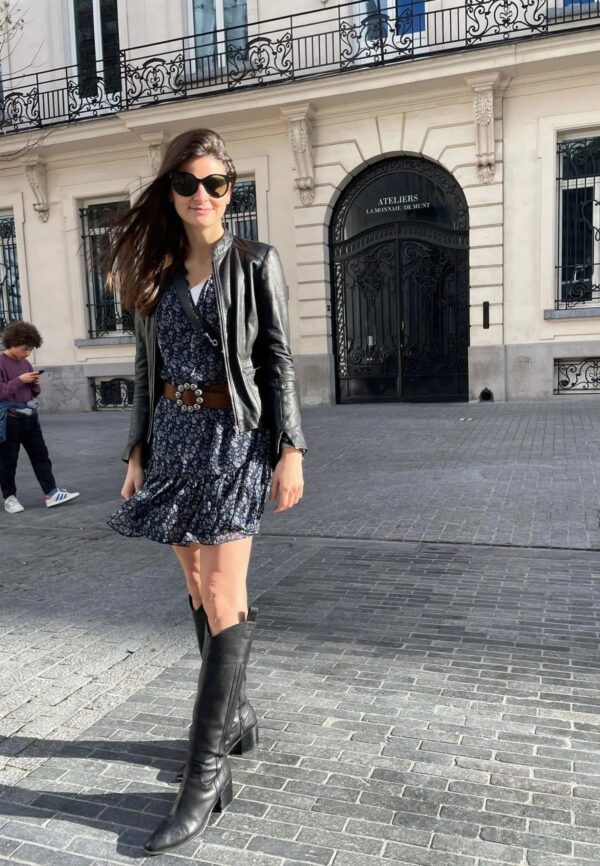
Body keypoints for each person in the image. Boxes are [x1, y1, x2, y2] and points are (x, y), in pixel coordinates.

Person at [106, 129, 306, 855]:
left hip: (235, 439)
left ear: (231, 191)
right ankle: (237, 715)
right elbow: (143, 368)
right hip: (173, 439)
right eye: (188, 183)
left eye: (215, 183)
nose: (201, 195)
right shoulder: (154, 273)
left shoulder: (255, 262)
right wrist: (137, 450)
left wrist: (291, 448)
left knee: (222, 593)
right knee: (197, 583)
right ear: (171, 192)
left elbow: (277, 359)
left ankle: (205, 776)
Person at [0, 321, 80, 513]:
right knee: (8, 460)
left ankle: (51, 493)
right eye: (25, 348)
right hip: (8, 419)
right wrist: (20, 380)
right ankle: (10, 497)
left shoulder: (26, 363)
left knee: (41, 455)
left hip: (29, 416)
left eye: (30, 349)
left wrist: (34, 383)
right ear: (12, 342)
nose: (28, 353)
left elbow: (33, 392)